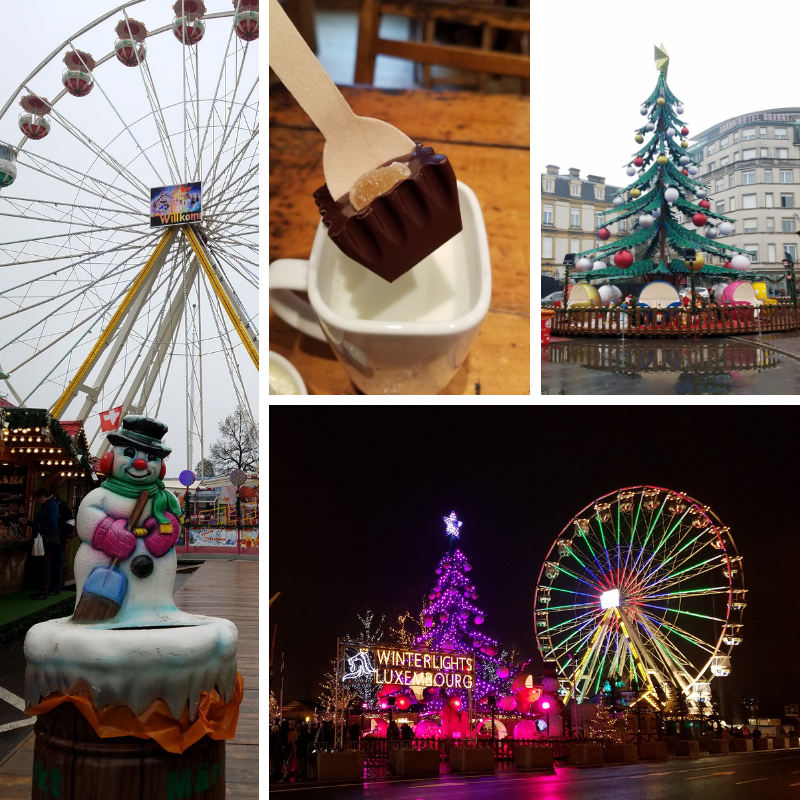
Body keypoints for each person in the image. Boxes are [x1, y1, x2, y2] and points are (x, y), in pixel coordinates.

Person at [22, 491, 61, 601]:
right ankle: (42, 589)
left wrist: (43, 532)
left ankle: (44, 590)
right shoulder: (48, 505)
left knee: (45, 564)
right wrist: (29, 523)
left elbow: (52, 523)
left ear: (43, 497)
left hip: (46, 538)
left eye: (37, 499)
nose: (37, 502)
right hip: (44, 537)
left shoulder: (52, 505)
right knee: (43, 564)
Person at [49, 496, 75, 596]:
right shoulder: (51, 507)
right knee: (51, 563)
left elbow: (71, 524)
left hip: (59, 540)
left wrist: (61, 536)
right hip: (51, 539)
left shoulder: (62, 508)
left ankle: (55, 587)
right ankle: (50, 586)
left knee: (57, 564)